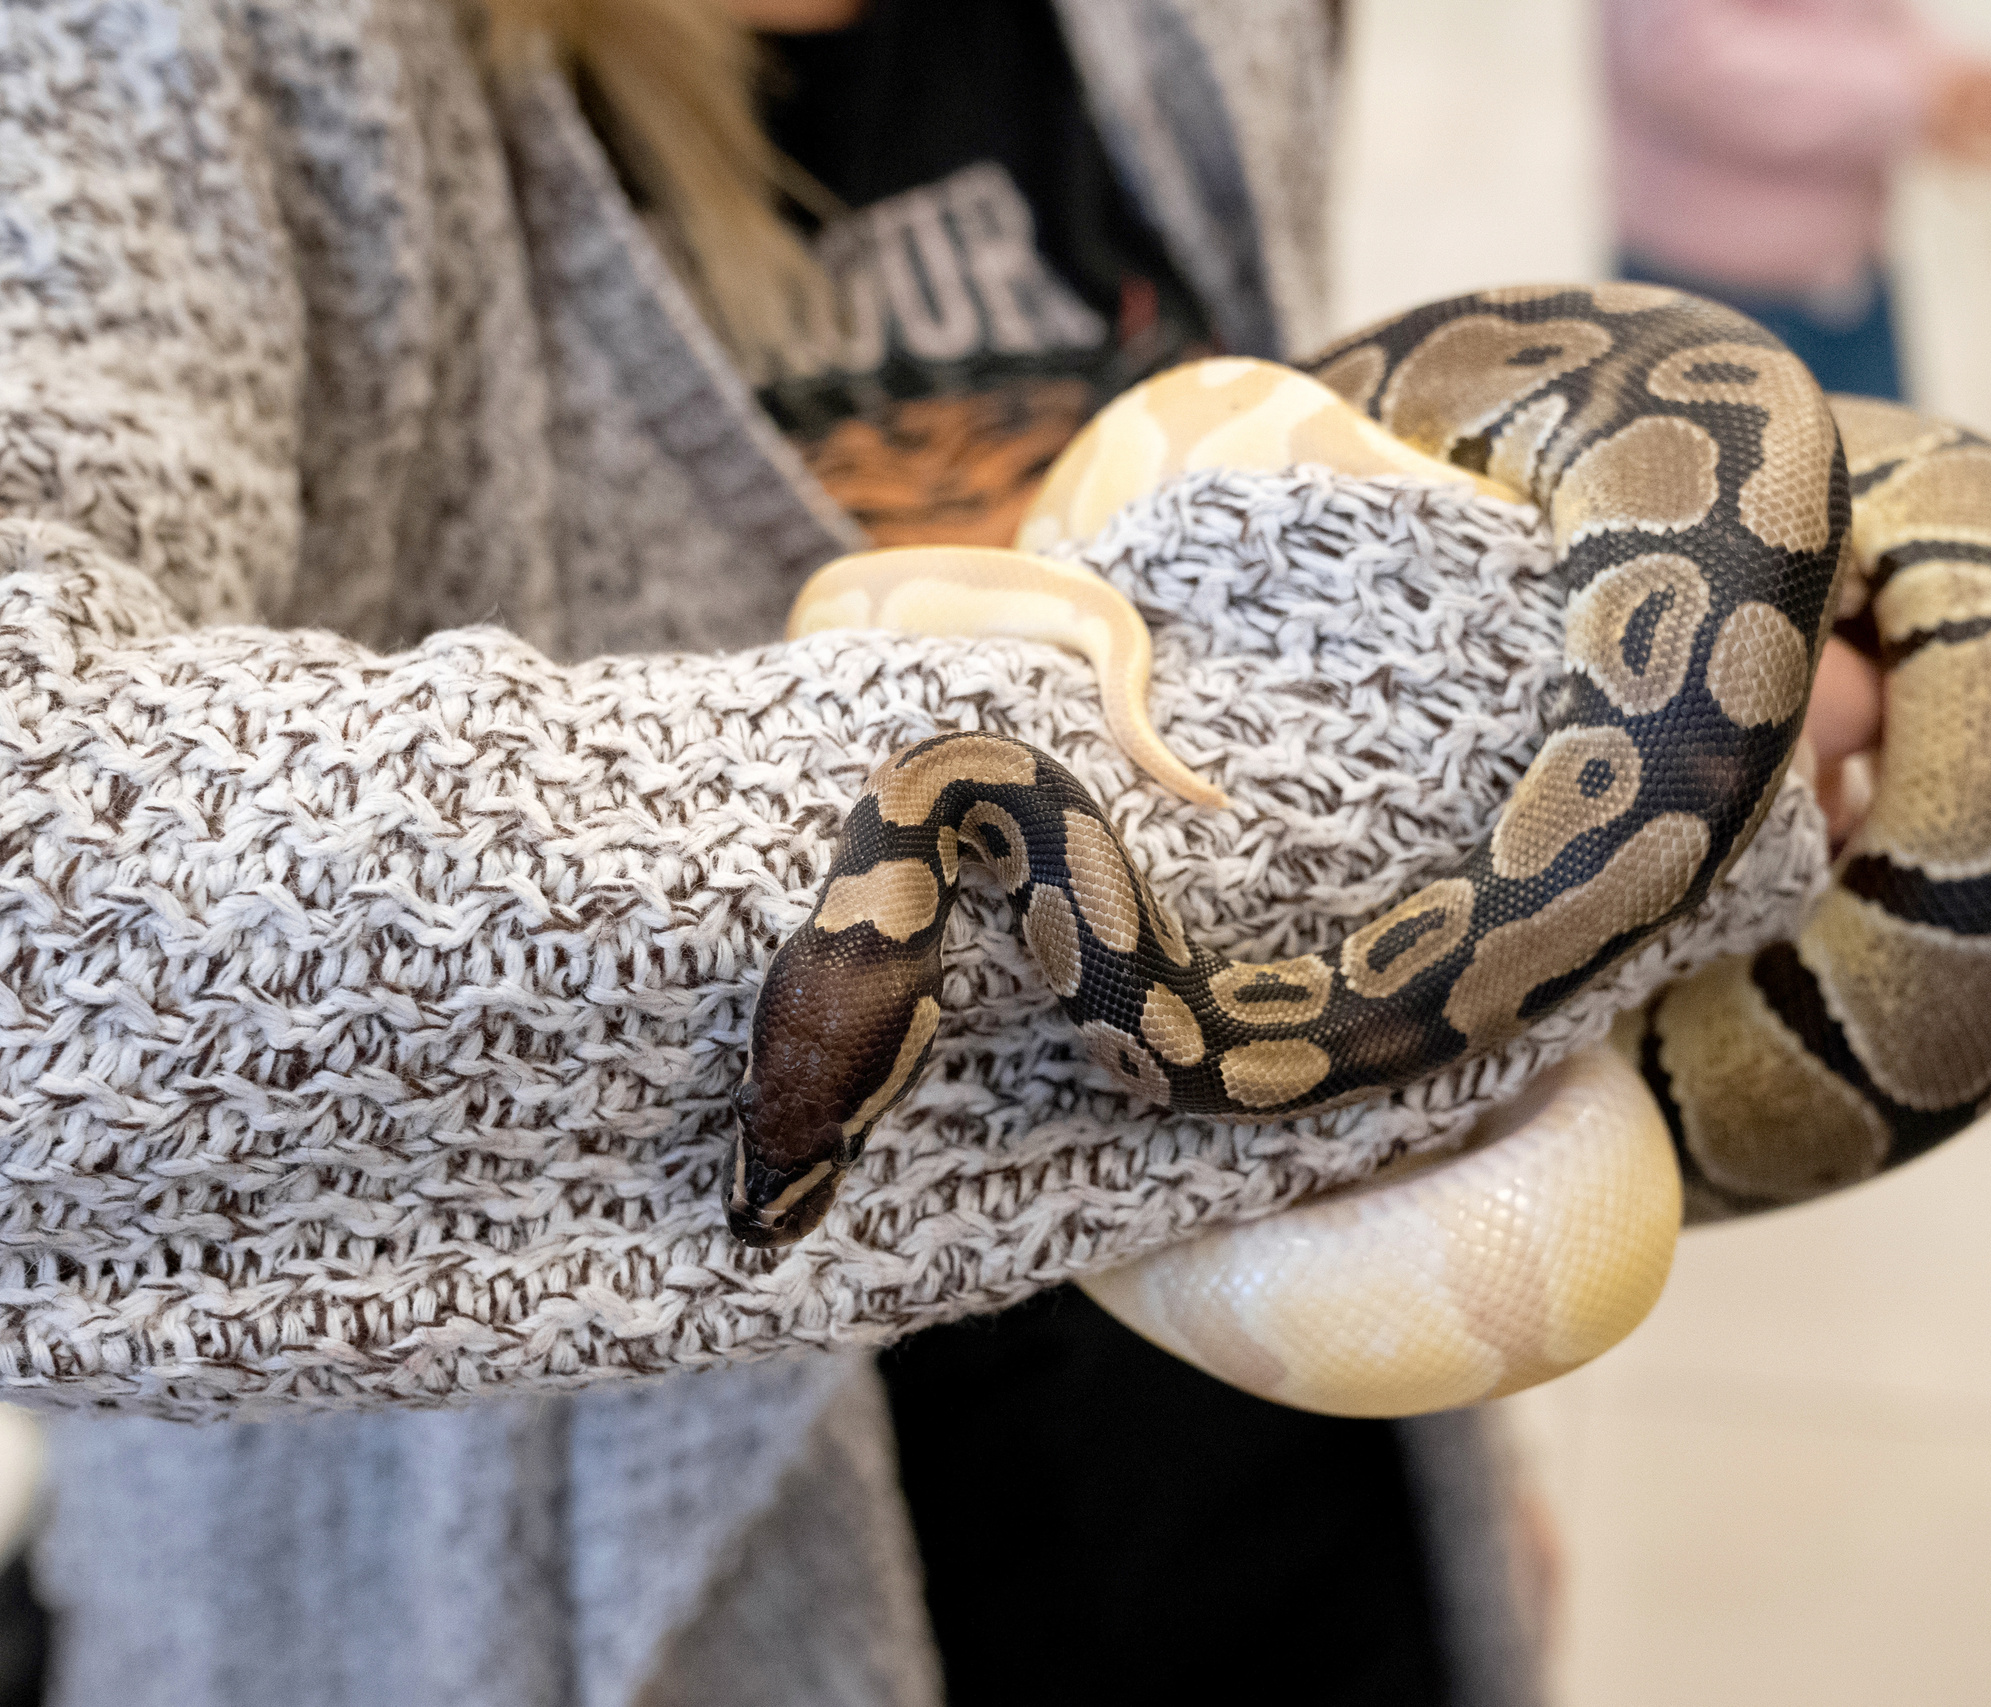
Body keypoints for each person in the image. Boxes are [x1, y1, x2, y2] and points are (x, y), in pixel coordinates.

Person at [0, 3, 1557, 1702]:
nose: (779, 1177)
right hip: (524, 1613)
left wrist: (1462, 1421)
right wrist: (1587, 730)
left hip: (1270, 1480)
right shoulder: (164, 44)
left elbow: (1306, 512)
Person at [1601, 0, 1991, 398]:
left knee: (1876, 492)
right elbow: (1686, 60)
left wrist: (1958, 76)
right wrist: (1919, 93)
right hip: (1707, 293)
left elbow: (1862, 18)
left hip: (1848, 283)